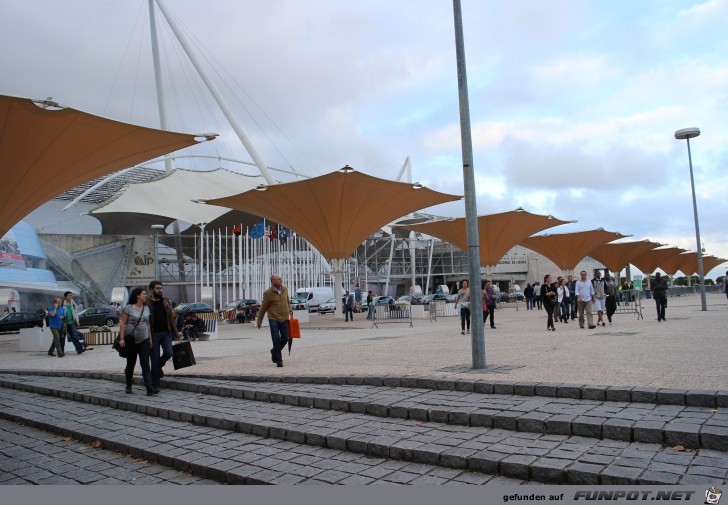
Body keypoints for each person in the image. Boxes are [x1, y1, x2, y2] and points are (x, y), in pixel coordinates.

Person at [118, 287, 155, 396]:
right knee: (131, 363)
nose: (146, 296)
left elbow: (147, 324)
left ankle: (149, 387)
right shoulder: (129, 308)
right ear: (137, 295)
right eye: (144, 294)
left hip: (144, 339)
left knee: (145, 363)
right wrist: (121, 338)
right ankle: (128, 385)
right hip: (131, 340)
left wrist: (150, 338)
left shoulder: (146, 308)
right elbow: (122, 324)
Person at [147, 281, 181, 391]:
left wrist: (176, 333)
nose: (160, 290)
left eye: (161, 288)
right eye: (157, 288)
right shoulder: (147, 303)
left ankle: (158, 367)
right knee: (154, 358)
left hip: (166, 332)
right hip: (154, 334)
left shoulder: (166, 301)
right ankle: (155, 384)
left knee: (169, 352)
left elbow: (170, 318)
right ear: (151, 289)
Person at [256, 273, 292, 368]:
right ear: (273, 282)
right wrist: (259, 321)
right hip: (273, 318)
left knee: (285, 338)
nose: (281, 280)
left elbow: (287, 301)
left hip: (284, 318)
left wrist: (289, 309)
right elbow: (263, 308)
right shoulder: (268, 293)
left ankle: (274, 351)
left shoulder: (285, 289)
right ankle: (279, 360)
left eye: (281, 278)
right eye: (279, 279)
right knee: (275, 339)